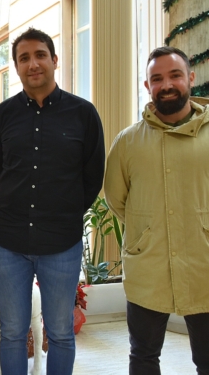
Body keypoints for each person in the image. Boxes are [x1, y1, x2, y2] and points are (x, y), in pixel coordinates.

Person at [0, 27, 105, 374]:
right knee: (11, 332)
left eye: (40, 55)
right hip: (8, 243)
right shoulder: (3, 116)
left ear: (54, 60)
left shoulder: (83, 114)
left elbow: (92, 179)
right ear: (17, 67)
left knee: (60, 333)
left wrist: (62, 213)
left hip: (61, 243)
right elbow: (4, 170)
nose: (33, 63)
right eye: (24, 58)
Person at [104, 46, 209, 375]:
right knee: (144, 356)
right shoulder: (127, 143)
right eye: (157, 78)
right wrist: (147, 231)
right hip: (147, 270)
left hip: (205, 266)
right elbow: (117, 199)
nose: (167, 84)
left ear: (191, 78)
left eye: (175, 75)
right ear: (147, 86)